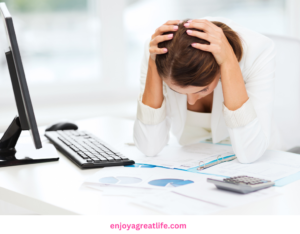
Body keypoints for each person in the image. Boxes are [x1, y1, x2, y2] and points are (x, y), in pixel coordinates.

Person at [133, 16, 286, 163]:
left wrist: (228, 62)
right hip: (194, 162)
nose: (191, 102)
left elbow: (250, 154)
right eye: (178, 91)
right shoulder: (159, 53)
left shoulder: (257, 52)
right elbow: (149, 147)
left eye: (203, 89)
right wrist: (153, 64)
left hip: (261, 161)